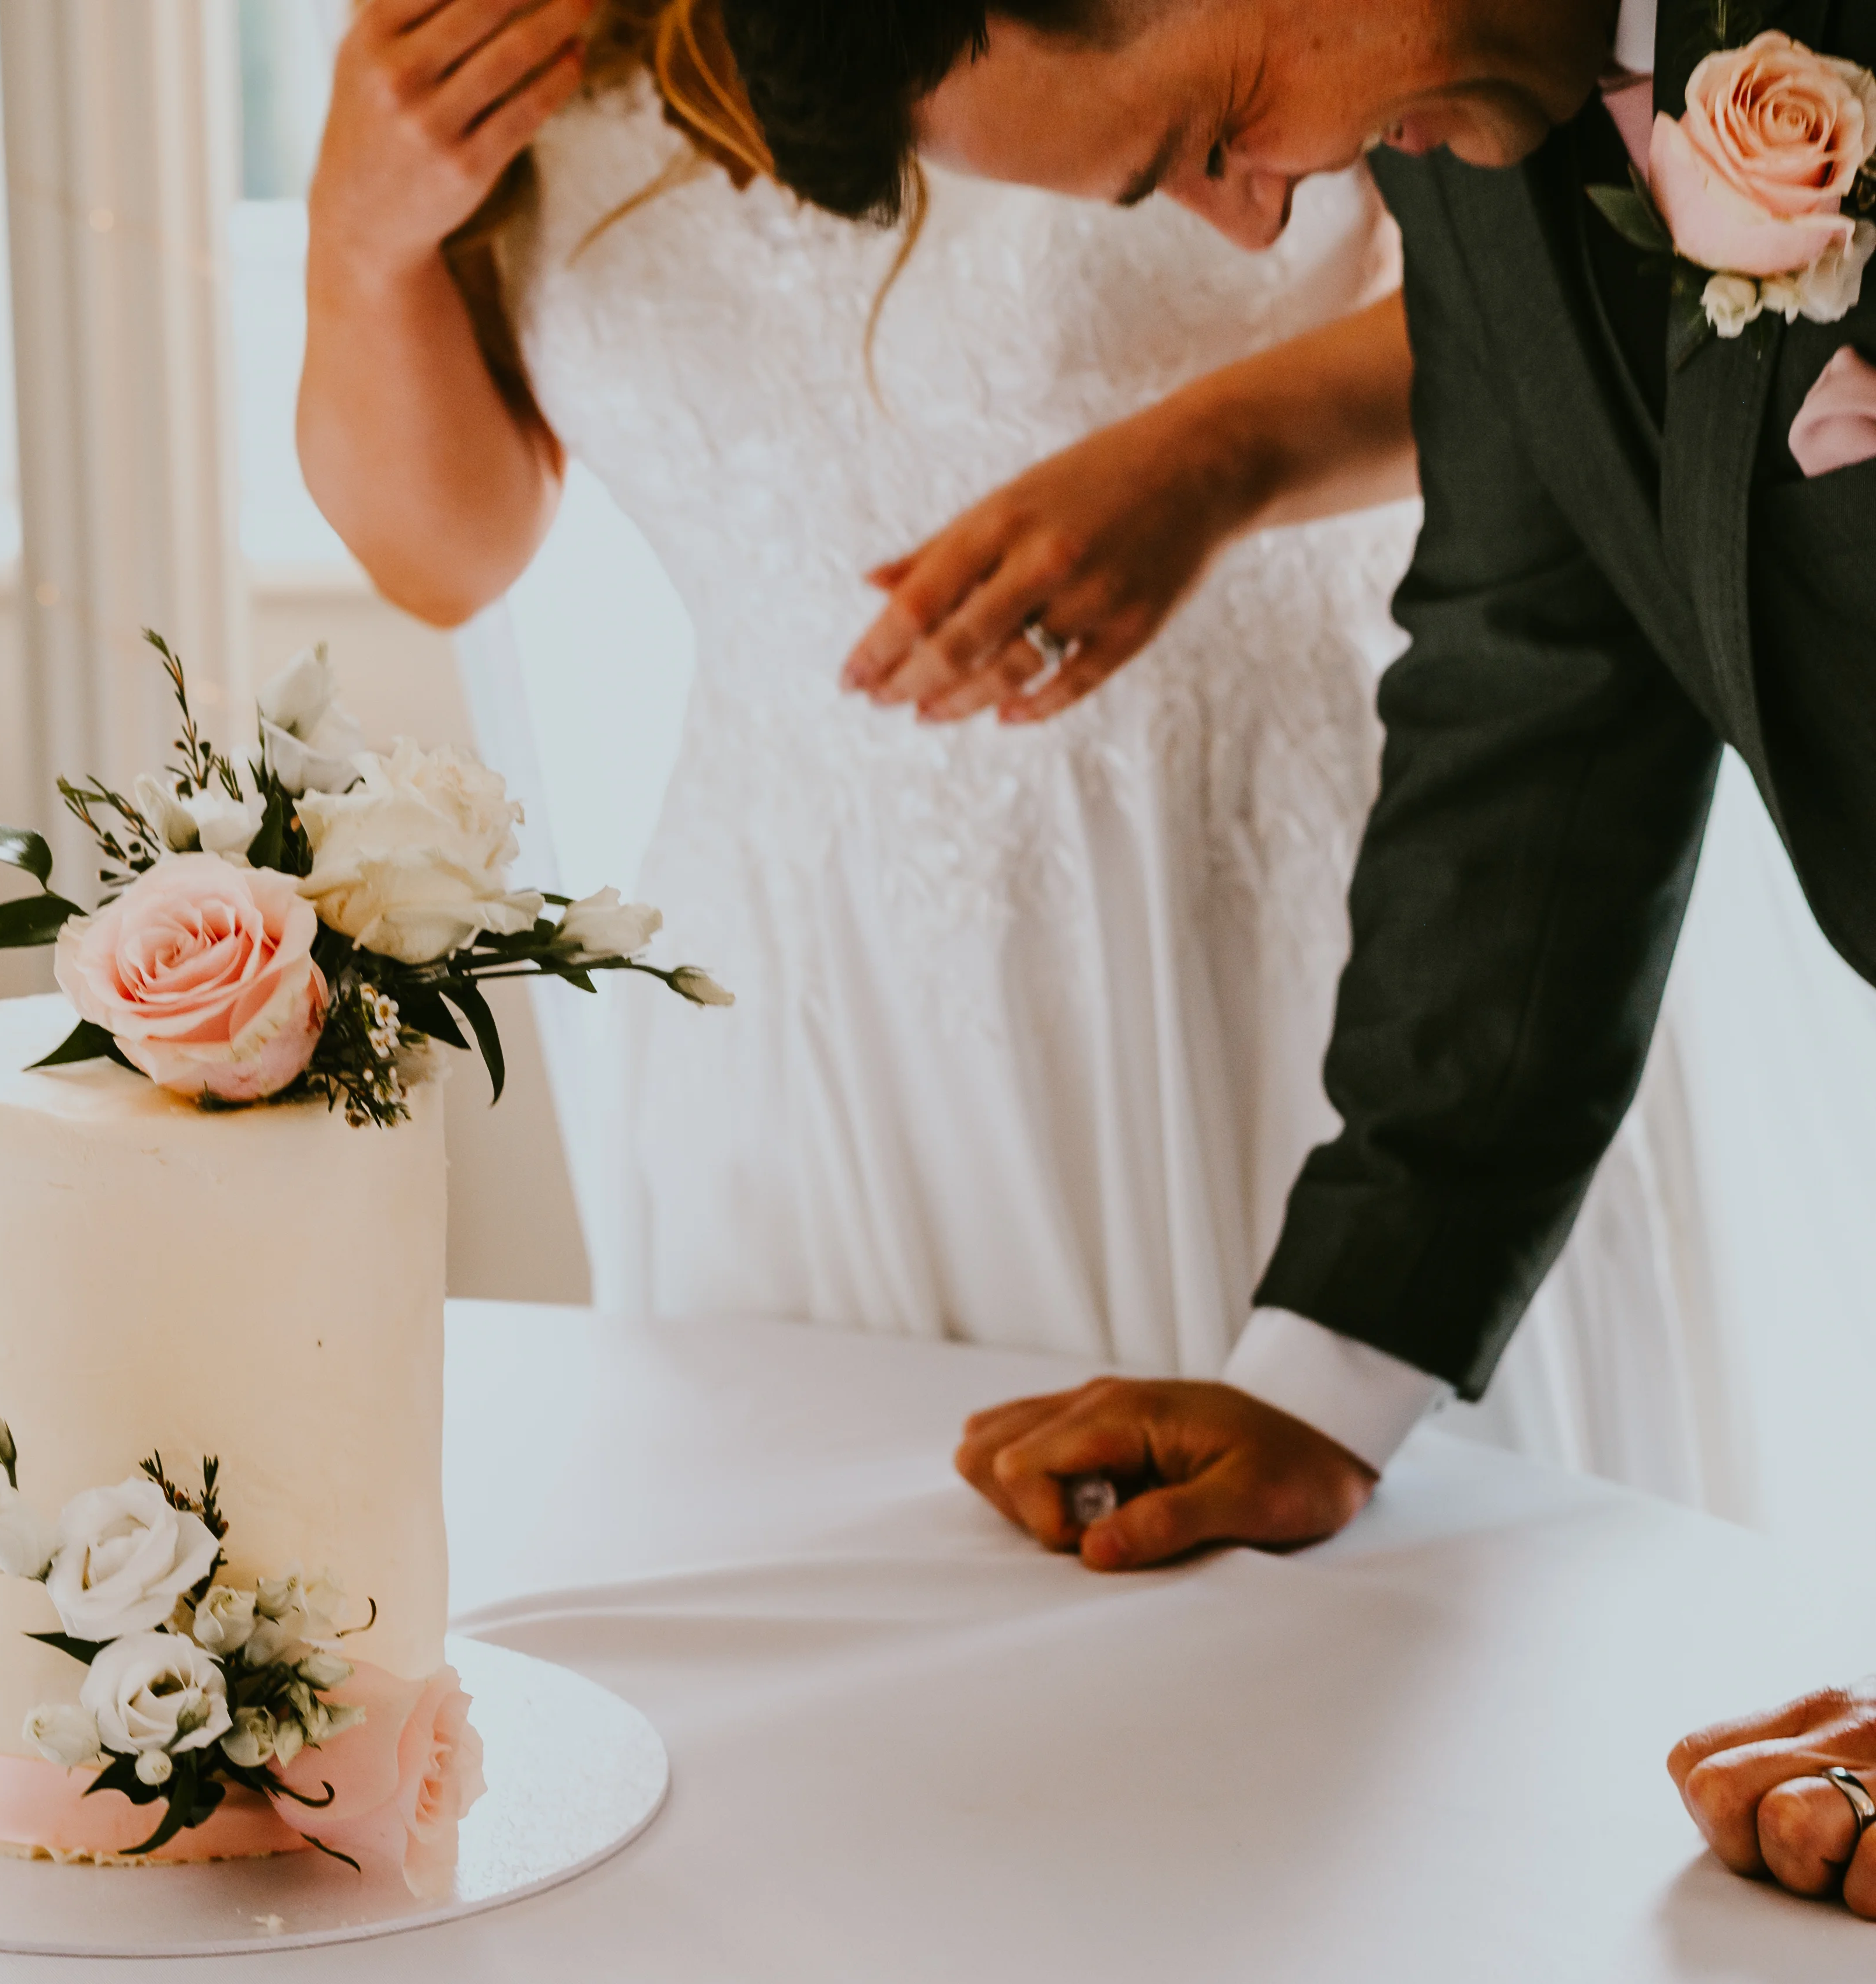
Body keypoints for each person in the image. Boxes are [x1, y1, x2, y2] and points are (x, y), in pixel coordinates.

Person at [712, 0, 1876, 1917]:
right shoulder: (1476, 154)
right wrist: (1334, 1367)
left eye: (1218, 126)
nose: (1256, 227)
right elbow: (1537, 676)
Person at [300, 5, 1688, 1424]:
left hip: (1272, 913)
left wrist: (1215, 462)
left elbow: (1564, 330)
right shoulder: (480, 32)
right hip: (810, 992)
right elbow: (444, 555)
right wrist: (359, 244)